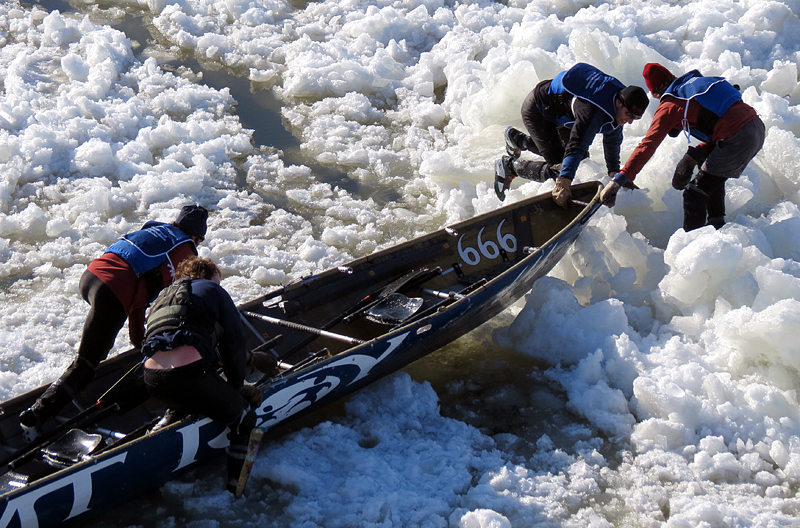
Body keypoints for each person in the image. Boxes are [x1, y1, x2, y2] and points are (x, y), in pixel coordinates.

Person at [19, 205, 209, 441]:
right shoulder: (186, 251)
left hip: (91, 276)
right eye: (199, 241)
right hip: (113, 290)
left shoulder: (156, 229)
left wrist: (139, 339)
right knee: (86, 363)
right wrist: (147, 343)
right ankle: (35, 416)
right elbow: (152, 296)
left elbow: (139, 279)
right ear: (195, 237)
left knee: (93, 347)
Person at [140, 256, 262, 494]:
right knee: (245, 419)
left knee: (183, 403)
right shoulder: (213, 290)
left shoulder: (163, 296)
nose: (219, 286)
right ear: (208, 277)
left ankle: (160, 431)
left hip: (151, 379)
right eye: (218, 281)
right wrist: (236, 386)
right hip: (189, 376)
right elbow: (233, 344)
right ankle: (235, 490)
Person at [601, 63, 765, 230]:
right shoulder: (699, 83)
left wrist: (620, 179)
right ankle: (717, 223)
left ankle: (694, 245)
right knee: (710, 171)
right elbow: (724, 118)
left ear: (656, 93)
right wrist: (695, 155)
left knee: (694, 193)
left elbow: (648, 145)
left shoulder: (671, 104)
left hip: (738, 137)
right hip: (756, 126)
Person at [495, 62, 649, 206]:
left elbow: (613, 139)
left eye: (635, 119)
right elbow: (577, 145)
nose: (629, 121)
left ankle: (518, 139)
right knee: (559, 169)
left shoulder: (620, 106)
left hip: (563, 113)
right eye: (629, 116)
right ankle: (510, 166)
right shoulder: (593, 112)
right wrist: (564, 181)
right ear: (618, 102)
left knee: (581, 162)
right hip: (539, 110)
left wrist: (614, 171)